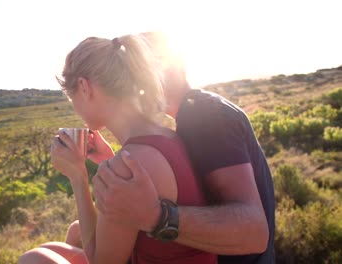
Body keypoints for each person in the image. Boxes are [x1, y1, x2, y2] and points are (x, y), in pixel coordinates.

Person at [18, 35, 216, 264]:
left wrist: (77, 175)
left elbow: (102, 262)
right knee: (74, 232)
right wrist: (109, 159)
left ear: (84, 87)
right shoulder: (167, 135)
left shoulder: (126, 167)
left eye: (71, 98)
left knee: (33, 259)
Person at [90, 32, 275, 264]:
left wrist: (156, 216)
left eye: (135, 70)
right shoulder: (193, 114)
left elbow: (255, 234)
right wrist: (109, 160)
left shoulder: (202, 114)